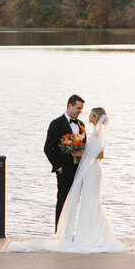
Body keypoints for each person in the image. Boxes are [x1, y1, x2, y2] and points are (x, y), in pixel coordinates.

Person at [15, 107, 129, 253]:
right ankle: (84, 233)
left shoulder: (97, 132)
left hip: (93, 170)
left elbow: (100, 155)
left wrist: (77, 152)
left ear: (95, 117)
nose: (85, 115)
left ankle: (94, 234)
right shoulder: (88, 129)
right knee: (87, 201)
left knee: (91, 200)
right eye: (80, 108)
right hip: (85, 170)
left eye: (89, 114)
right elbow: (49, 147)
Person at [43, 94, 86, 228]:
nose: (80, 111)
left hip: (79, 169)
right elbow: (48, 148)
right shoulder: (56, 123)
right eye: (78, 108)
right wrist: (58, 167)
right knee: (62, 200)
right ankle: (59, 232)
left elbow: (84, 145)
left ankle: (71, 230)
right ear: (69, 105)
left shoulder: (81, 124)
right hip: (64, 170)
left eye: (81, 109)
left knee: (75, 201)